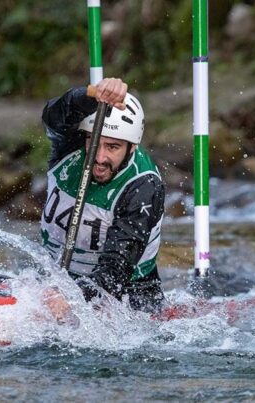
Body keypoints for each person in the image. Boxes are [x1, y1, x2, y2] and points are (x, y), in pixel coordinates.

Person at [40, 78, 166, 313]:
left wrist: (73, 300)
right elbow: (54, 116)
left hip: (131, 296)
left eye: (113, 147)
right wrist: (89, 94)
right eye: (95, 142)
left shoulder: (143, 186)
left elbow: (116, 270)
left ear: (132, 147)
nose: (99, 158)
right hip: (55, 278)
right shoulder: (69, 147)